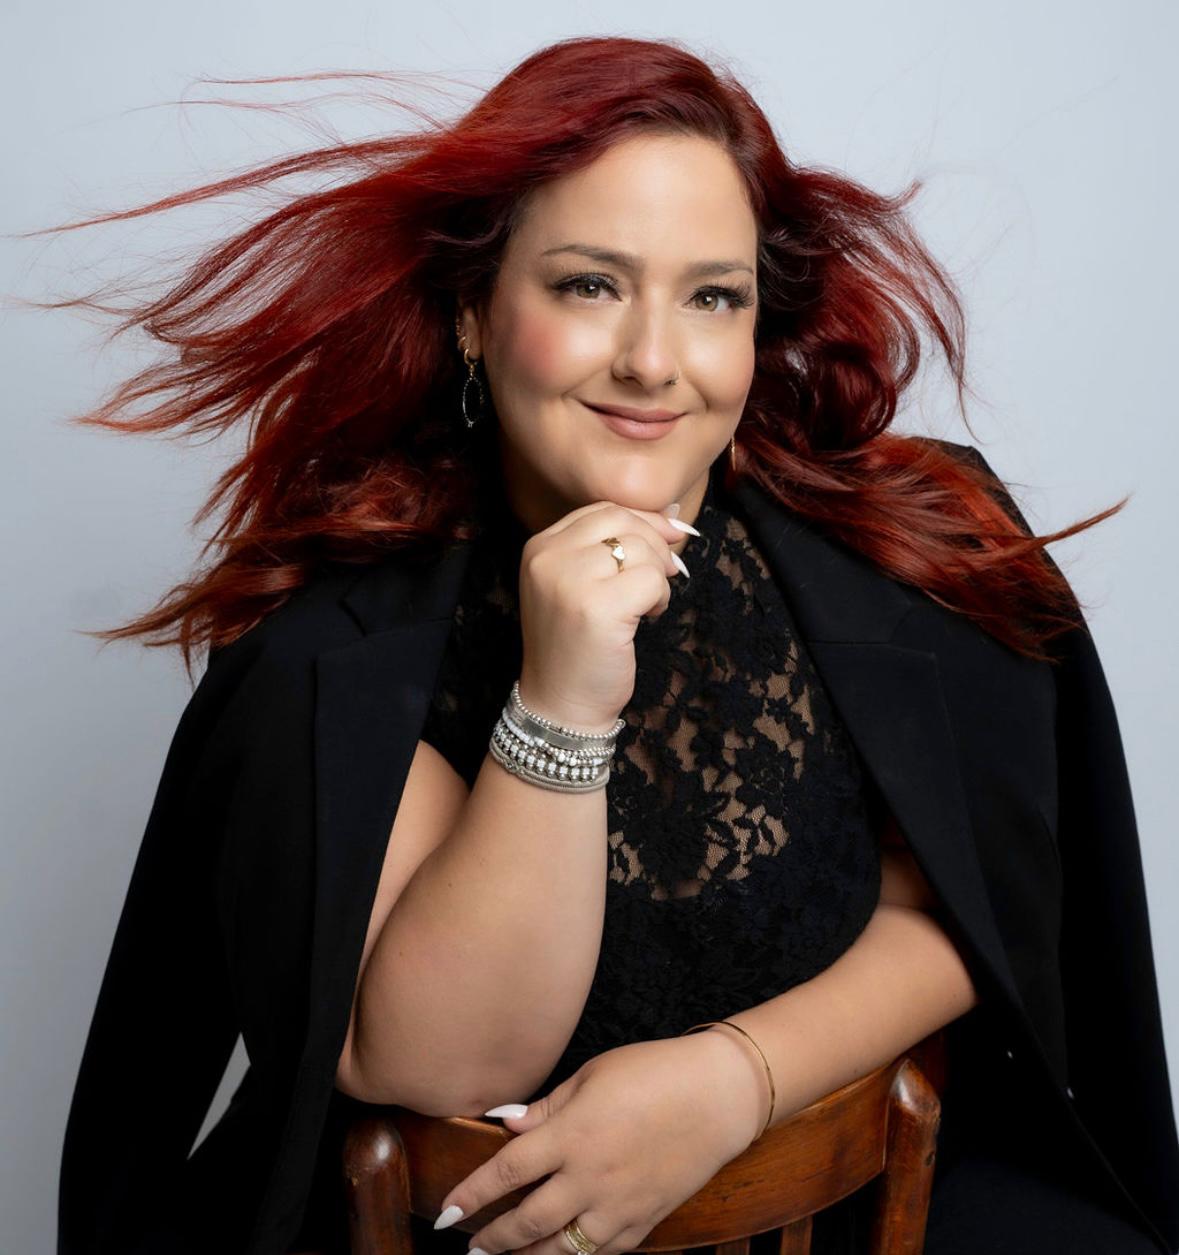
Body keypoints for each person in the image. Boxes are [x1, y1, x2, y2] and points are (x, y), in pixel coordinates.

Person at [51, 34, 1178, 1255]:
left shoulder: (908, 546)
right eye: (590, 285)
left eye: (712, 297)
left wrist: (731, 1080)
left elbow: (975, 905)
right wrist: (561, 701)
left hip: (865, 1208)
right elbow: (437, 1059)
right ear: (475, 313)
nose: (652, 361)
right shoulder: (343, 645)